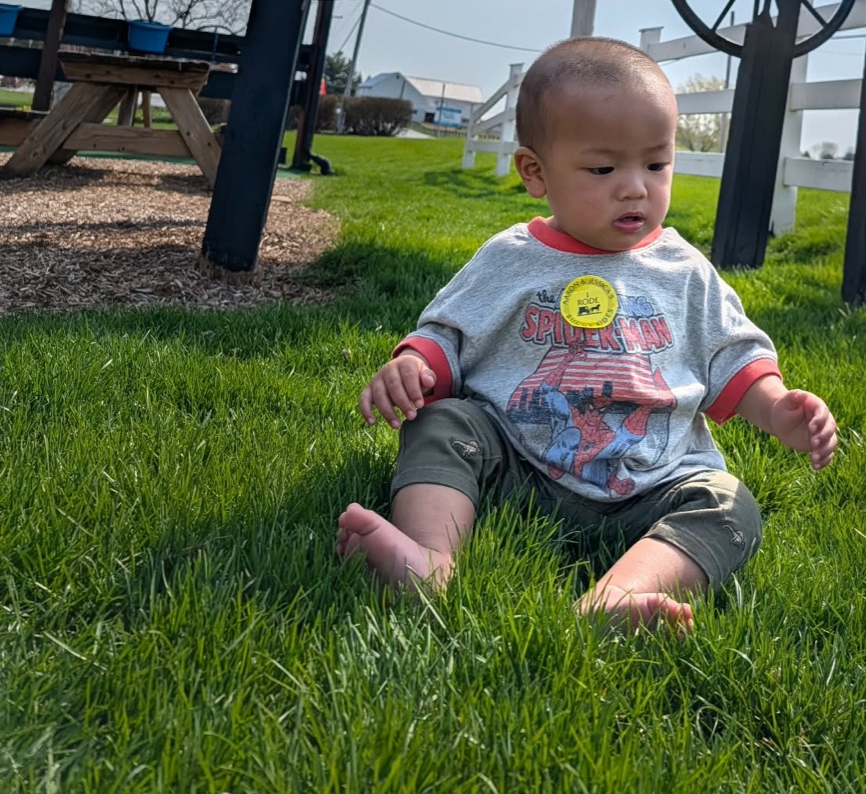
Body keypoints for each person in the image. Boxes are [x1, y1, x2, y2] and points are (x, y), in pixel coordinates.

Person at [337, 36, 837, 631]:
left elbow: (734, 360)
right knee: (442, 422)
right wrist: (415, 366)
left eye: (656, 164)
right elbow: (449, 334)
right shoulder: (512, 257)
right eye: (603, 168)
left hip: (651, 484)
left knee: (730, 504)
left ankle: (615, 599)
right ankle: (429, 559)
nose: (635, 187)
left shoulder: (684, 272)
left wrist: (778, 408)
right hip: (515, 465)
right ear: (535, 172)